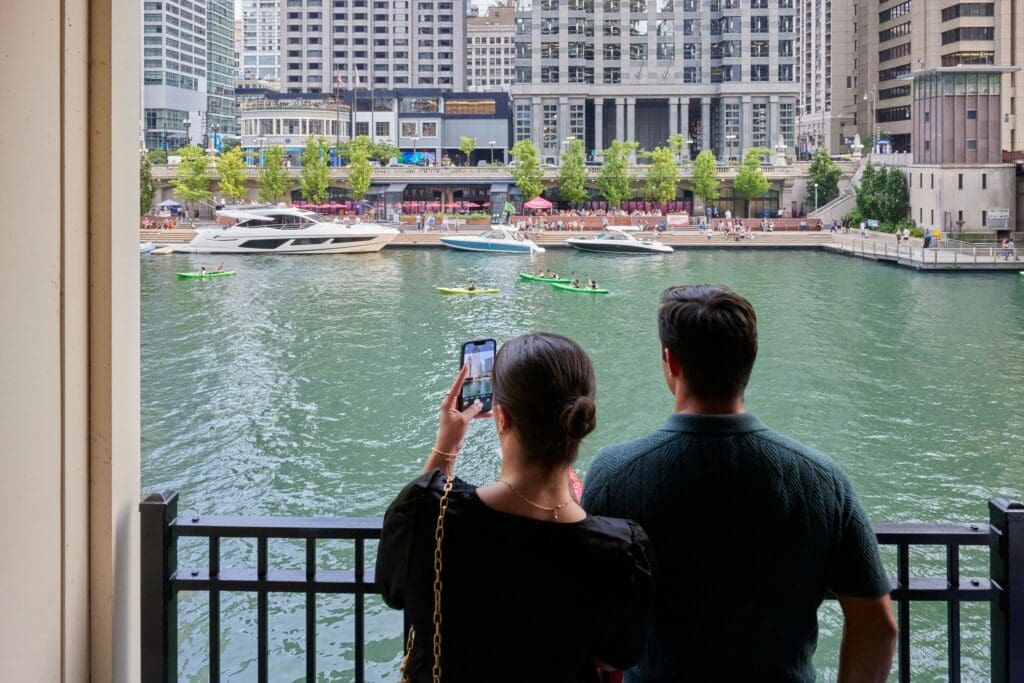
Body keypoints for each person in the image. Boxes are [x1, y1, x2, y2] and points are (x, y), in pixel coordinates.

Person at [582, 285, 897, 683]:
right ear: (749, 359)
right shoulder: (821, 479)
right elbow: (878, 627)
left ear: (671, 362)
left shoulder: (615, 472)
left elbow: (587, 620)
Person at [377, 334, 654, 683]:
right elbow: (619, 653)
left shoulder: (433, 517)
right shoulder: (621, 552)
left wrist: (447, 445)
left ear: (502, 417)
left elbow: (395, 585)